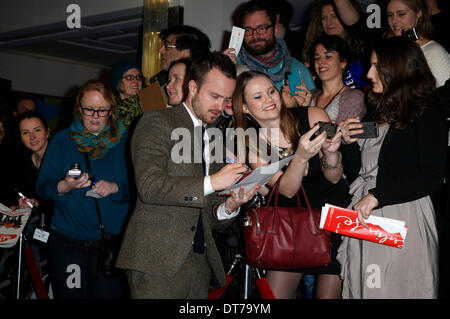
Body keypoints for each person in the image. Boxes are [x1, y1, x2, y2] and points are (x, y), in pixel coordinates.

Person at [116, 52, 260, 299]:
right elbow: (149, 186)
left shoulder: (213, 139)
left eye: (225, 99)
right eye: (214, 96)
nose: (220, 106)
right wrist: (213, 181)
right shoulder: (156, 121)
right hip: (156, 262)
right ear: (192, 87)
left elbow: (210, 215)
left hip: (200, 265)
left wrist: (231, 204)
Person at [337, 36, 447, 298]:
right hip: (364, 215)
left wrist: (379, 196)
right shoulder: (375, 112)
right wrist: (349, 144)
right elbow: (358, 174)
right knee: (365, 288)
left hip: (402, 216)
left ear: (398, 70)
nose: (368, 73)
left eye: (377, 66)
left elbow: (433, 176)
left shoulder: (426, 112)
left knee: (391, 289)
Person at [232, 70, 351, 299]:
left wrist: (331, 153)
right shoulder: (253, 144)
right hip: (290, 228)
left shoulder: (313, 116)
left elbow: (335, 177)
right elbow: (286, 191)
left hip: (333, 218)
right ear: (244, 107)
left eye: (271, 91)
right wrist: (301, 157)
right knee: (273, 296)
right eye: (257, 97)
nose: (269, 99)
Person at [36, 79, 130, 299]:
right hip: (69, 243)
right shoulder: (62, 140)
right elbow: (43, 187)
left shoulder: (125, 143)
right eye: (89, 110)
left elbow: (139, 189)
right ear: (79, 109)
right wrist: (64, 186)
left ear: (111, 111)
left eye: (102, 110)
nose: (95, 116)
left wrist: (115, 188)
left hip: (108, 245)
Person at [334, 0, 450, 87]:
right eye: (390, 15)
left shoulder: (432, 51)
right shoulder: (386, 46)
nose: (394, 21)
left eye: (401, 14)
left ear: (419, 13)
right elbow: (355, 23)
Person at [229, 0, 315, 93]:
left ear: (275, 29)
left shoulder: (297, 69)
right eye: (248, 30)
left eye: (261, 28)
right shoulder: (232, 66)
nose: (255, 35)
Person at [284, 35, 366, 125]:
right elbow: (292, 133)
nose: (320, 61)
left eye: (328, 56)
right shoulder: (309, 95)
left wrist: (305, 109)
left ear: (343, 63)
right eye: (317, 58)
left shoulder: (353, 97)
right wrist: (290, 107)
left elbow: (338, 136)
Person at [302, 0, 370, 89]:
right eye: (324, 18)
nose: (329, 23)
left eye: (334, 16)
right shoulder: (315, 49)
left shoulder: (364, 46)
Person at [110, 60, 144, 130]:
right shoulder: (110, 110)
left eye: (138, 77)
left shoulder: (149, 103)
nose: (135, 81)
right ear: (119, 82)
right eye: (129, 77)